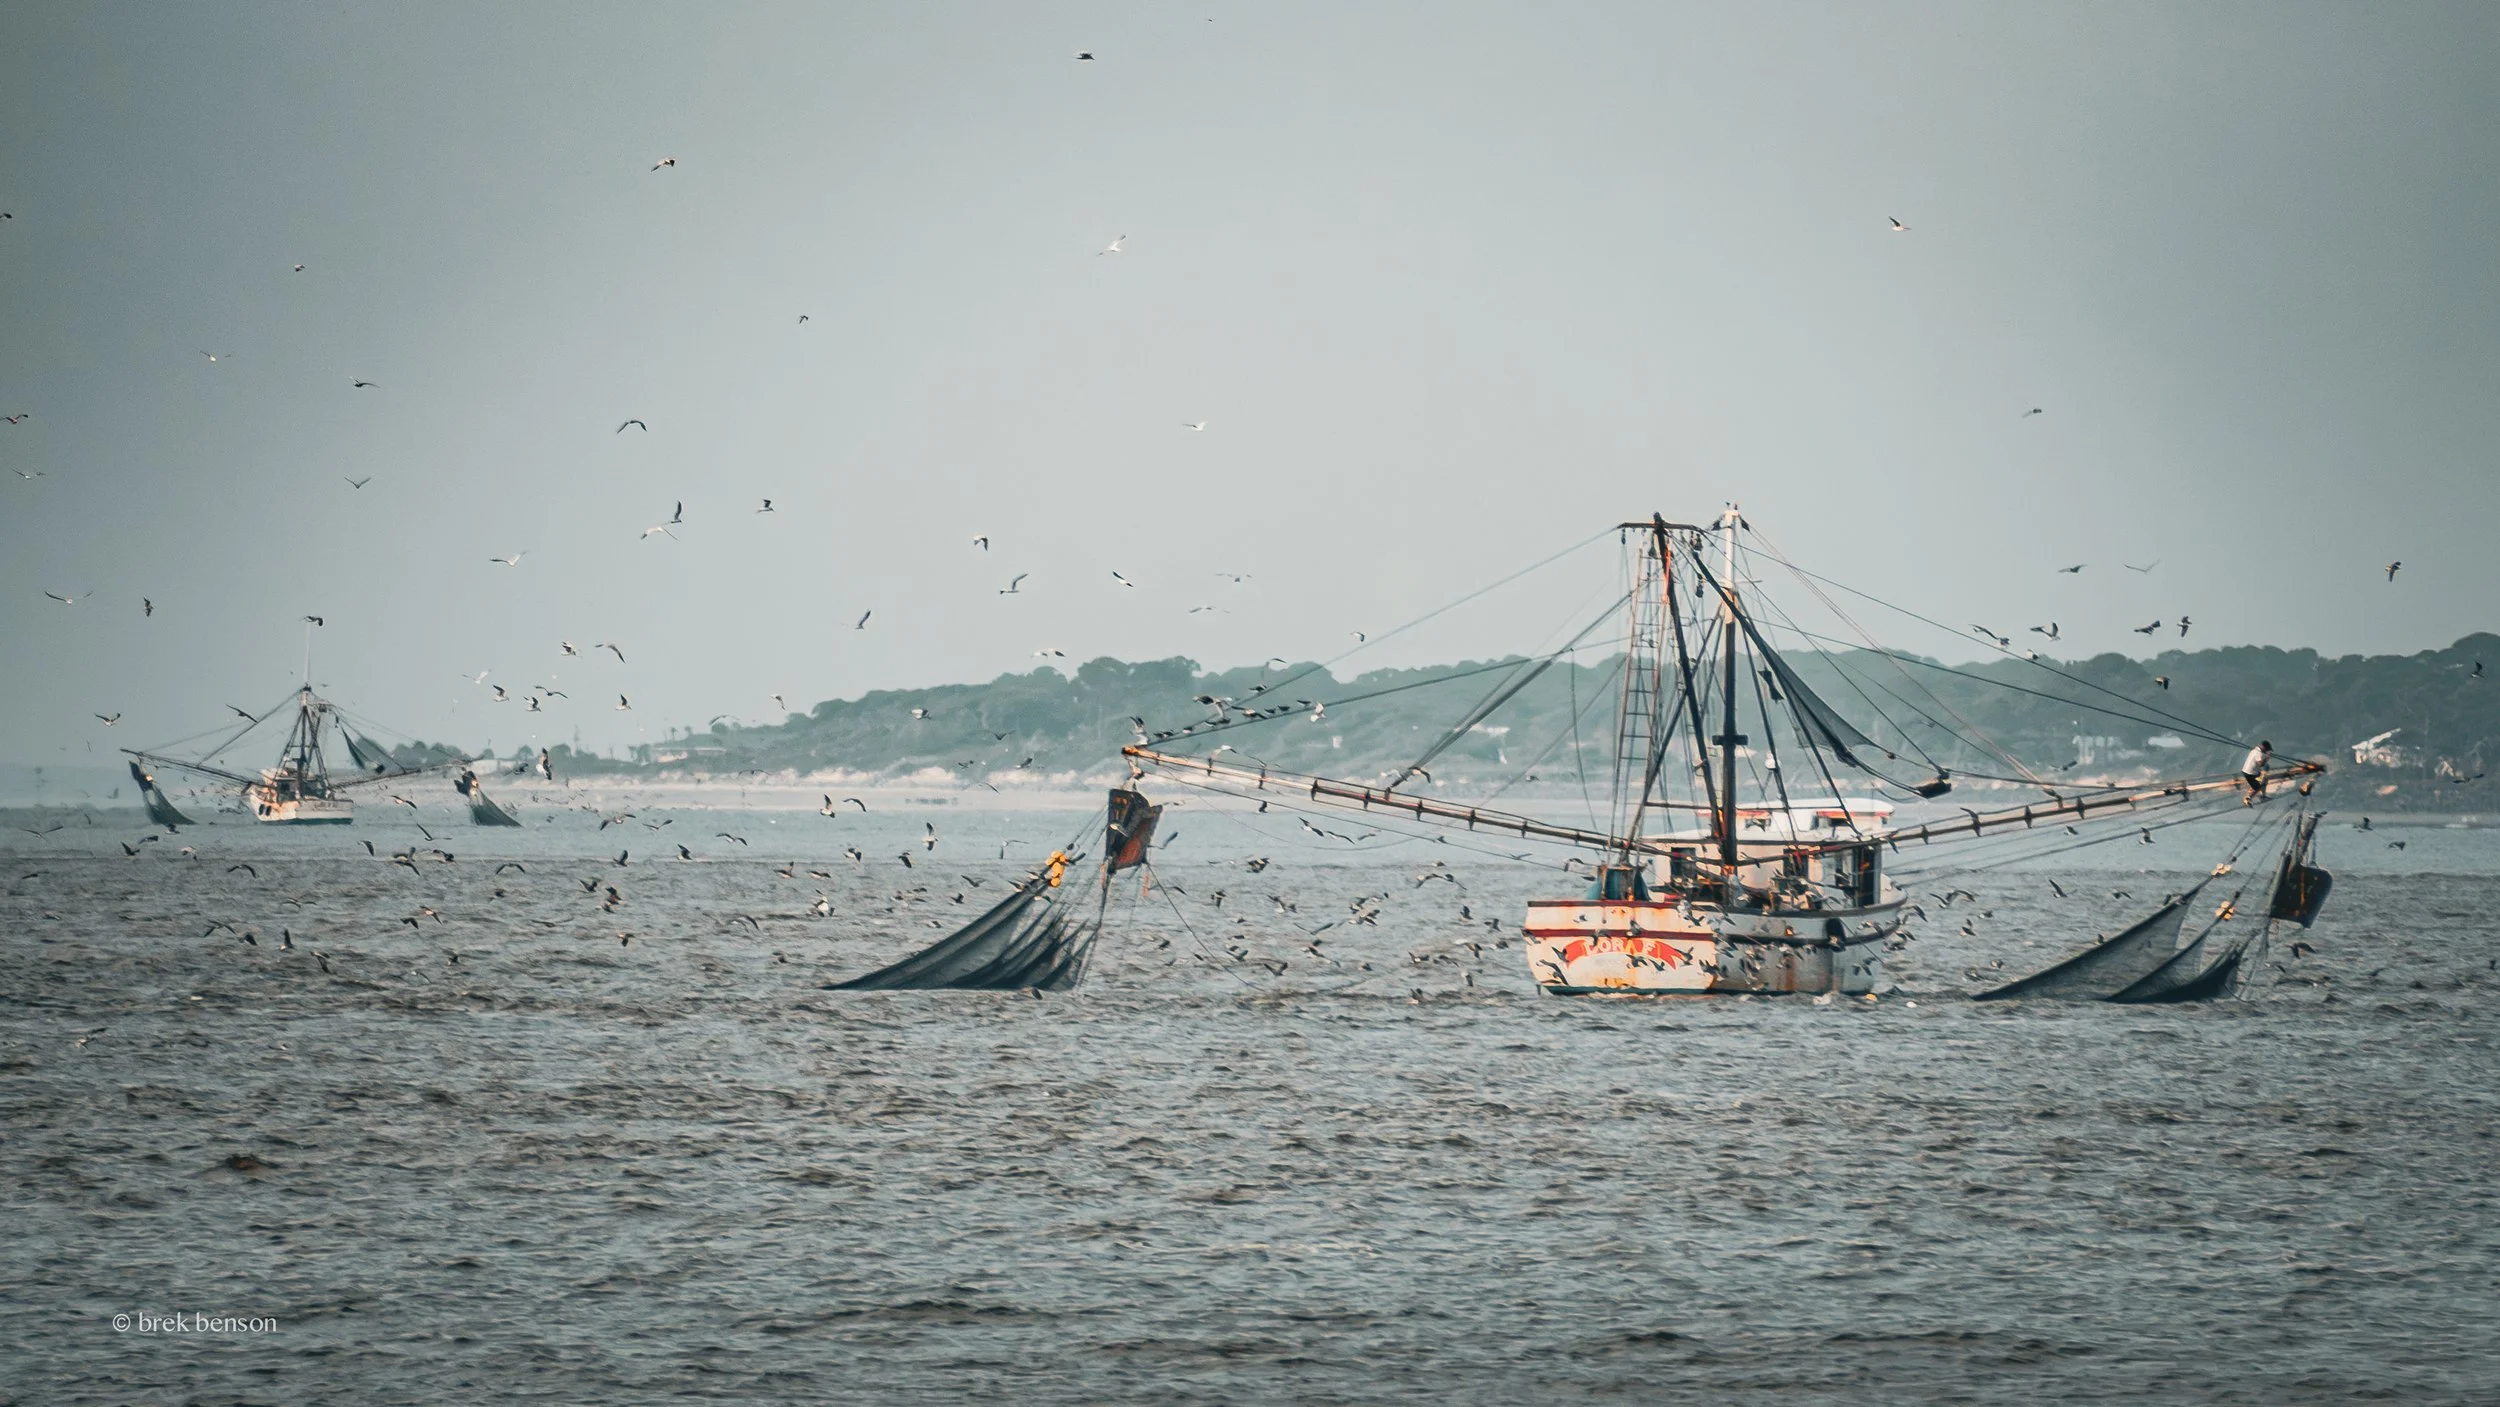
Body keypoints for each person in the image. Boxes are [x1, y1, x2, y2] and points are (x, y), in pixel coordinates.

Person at [2241, 739, 2273, 804]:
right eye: (2267, 750)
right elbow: (2261, 764)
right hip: (2249, 774)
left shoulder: (2255, 750)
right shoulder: (2259, 753)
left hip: (2248, 770)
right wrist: (2267, 758)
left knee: (2264, 777)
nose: (2267, 751)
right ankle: (2248, 798)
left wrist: (2266, 757)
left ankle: (2262, 796)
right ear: (2264, 748)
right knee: (2257, 787)